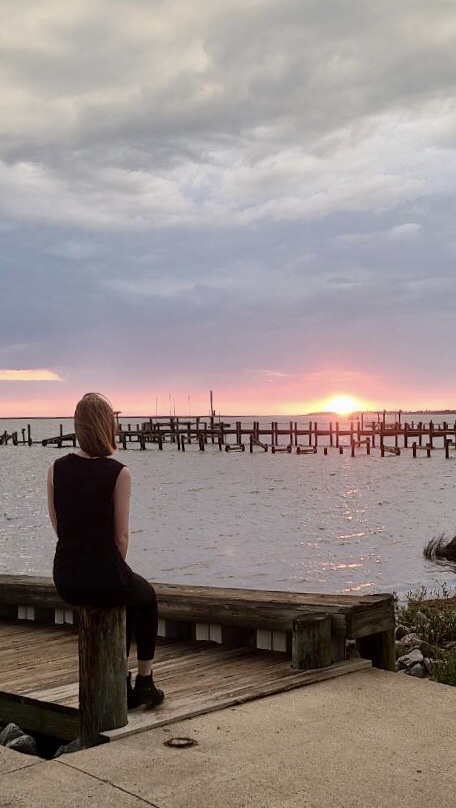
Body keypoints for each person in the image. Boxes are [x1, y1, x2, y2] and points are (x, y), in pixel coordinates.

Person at [47, 392, 164, 709]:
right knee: (146, 596)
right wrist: (112, 569)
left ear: (79, 426)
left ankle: (121, 681)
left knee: (123, 599)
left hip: (66, 578)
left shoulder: (56, 469)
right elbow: (121, 538)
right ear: (107, 427)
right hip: (103, 574)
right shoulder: (119, 473)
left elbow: (59, 526)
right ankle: (145, 681)